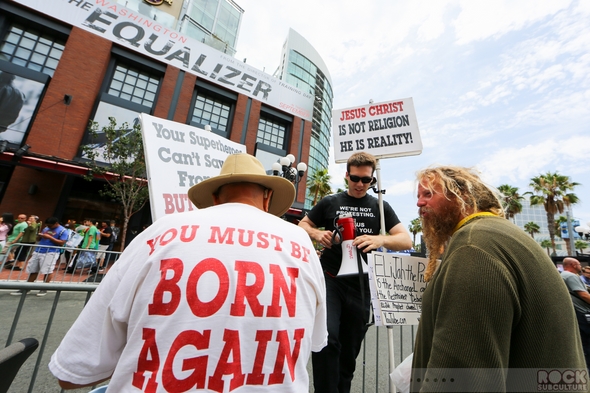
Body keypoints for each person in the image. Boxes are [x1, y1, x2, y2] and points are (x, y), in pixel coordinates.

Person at [49, 153, 327, 392]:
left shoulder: (161, 231)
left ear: (215, 198)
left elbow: (72, 373)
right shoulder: (299, 242)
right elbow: (314, 341)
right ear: (267, 197)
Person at [411, 165, 586, 391]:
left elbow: (463, 376)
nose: (419, 203)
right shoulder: (495, 235)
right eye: (418, 196)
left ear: (462, 195)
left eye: (428, 194)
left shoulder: (473, 246)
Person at [298, 152, 412, 393]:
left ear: (372, 181)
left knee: (349, 351)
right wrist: (319, 234)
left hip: (361, 286)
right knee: (328, 340)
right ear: (347, 176)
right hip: (330, 280)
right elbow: (303, 224)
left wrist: (379, 238)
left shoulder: (380, 206)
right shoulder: (330, 202)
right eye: (355, 178)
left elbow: (406, 240)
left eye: (366, 180)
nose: (360, 184)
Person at [10, 217, 69, 297]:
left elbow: (62, 242)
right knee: (33, 269)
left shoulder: (63, 231)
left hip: (51, 252)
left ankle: (44, 288)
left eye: (50, 226)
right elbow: (38, 239)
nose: (49, 227)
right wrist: (40, 236)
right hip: (39, 250)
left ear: (56, 223)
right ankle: (27, 288)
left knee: (47, 270)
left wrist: (50, 237)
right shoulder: (46, 228)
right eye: (47, 225)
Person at [561, 257, 590, 370]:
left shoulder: (563, 275)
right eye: (578, 264)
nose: (580, 266)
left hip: (575, 312)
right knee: (587, 344)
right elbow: (583, 295)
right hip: (582, 313)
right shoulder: (571, 276)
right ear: (573, 265)